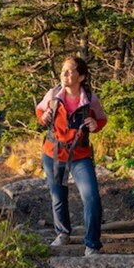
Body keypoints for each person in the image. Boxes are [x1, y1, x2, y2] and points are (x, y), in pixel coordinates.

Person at [35, 56, 108, 256]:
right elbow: (40, 111)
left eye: (70, 71)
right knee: (58, 195)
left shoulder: (91, 100)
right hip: (54, 153)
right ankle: (63, 233)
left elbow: (101, 119)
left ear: (81, 76)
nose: (65, 75)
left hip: (80, 155)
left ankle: (92, 244)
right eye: (63, 71)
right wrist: (43, 117)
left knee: (91, 197)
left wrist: (95, 125)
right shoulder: (52, 94)